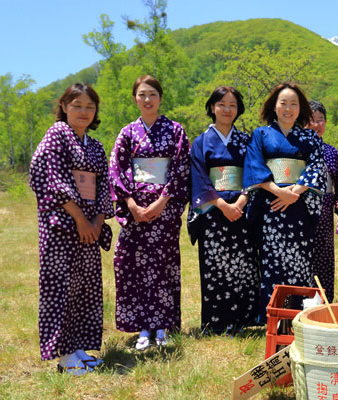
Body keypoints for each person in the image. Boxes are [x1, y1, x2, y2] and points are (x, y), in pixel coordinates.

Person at [29, 83, 113, 374]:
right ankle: (63, 356)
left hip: (90, 225)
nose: (84, 111)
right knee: (60, 287)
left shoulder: (96, 146)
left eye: (90, 106)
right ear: (64, 107)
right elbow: (52, 180)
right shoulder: (57, 136)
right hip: (63, 225)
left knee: (84, 287)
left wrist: (96, 223)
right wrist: (80, 220)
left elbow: (104, 188)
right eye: (77, 105)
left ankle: (77, 347)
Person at [108, 75, 190, 350]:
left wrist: (163, 200)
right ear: (135, 98)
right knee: (135, 266)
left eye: (152, 94)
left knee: (164, 265)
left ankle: (163, 326)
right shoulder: (127, 133)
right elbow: (116, 170)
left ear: (160, 98)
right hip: (135, 211)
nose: (147, 99)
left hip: (163, 210)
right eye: (142, 94)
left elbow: (181, 168)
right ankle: (143, 326)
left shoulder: (175, 130)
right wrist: (131, 204)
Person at [243, 83, 326, 322]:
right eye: (283, 103)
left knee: (300, 261)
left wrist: (296, 191)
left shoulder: (309, 136)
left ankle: (299, 316)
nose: (288, 108)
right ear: (274, 106)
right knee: (273, 261)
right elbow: (254, 166)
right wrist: (278, 192)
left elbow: (316, 166)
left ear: (301, 109)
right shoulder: (261, 134)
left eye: (294, 104)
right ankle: (274, 317)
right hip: (272, 207)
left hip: (299, 206)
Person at [187, 86, 259, 335]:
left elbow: (253, 172)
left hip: (241, 210)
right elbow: (198, 177)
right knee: (215, 266)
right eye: (222, 104)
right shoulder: (201, 142)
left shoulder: (245, 140)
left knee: (241, 265)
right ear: (212, 107)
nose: (227, 109)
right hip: (213, 212)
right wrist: (221, 204)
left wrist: (241, 201)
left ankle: (240, 321)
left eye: (233, 105)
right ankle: (216, 323)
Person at [308, 100, 338, 302]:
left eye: (320, 120)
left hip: (325, 211)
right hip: (300, 211)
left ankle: (324, 303)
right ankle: (300, 304)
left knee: (324, 258)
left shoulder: (331, 152)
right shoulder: (297, 149)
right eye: (311, 120)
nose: (316, 125)